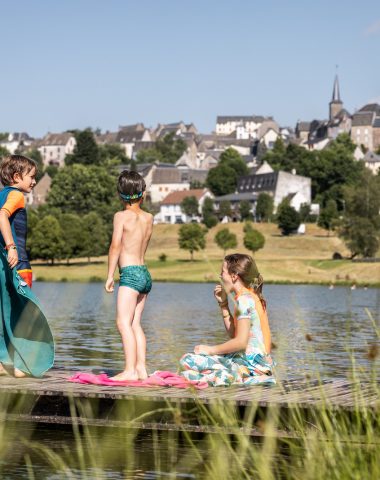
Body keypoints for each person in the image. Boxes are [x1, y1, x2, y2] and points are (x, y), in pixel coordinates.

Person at [180, 253, 275, 386]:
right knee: (189, 362)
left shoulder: (244, 300)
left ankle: (238, 378)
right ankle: (232, 376)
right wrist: (223, 305)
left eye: (222, 272)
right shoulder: (248, 296)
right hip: (253, 363)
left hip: (251, 366)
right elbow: (234, 335)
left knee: (188, 361)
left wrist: (210, 350)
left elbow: (241, 342)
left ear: (234, 275)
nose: (220, 276)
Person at [0, 155, 54, 378]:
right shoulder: (16, 195)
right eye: (31, 177)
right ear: (16, 177)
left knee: (5, 312)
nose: (34, 181)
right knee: (26, 314)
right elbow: (1, 216)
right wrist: (11, 246)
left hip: (3, 263)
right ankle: (24, 364)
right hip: (17, 263)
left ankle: (4, 362)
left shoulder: (1, 194)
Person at [105, 170, 153, 381]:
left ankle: (129, 370)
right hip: (145, 273)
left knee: (123, 323)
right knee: (135, 324)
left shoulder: (121, 216)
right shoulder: (149, 218)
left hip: (130, 274)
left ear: (120, 194)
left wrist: (109, 275)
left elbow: (116, 246)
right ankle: (141, 368)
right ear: (142, 194)